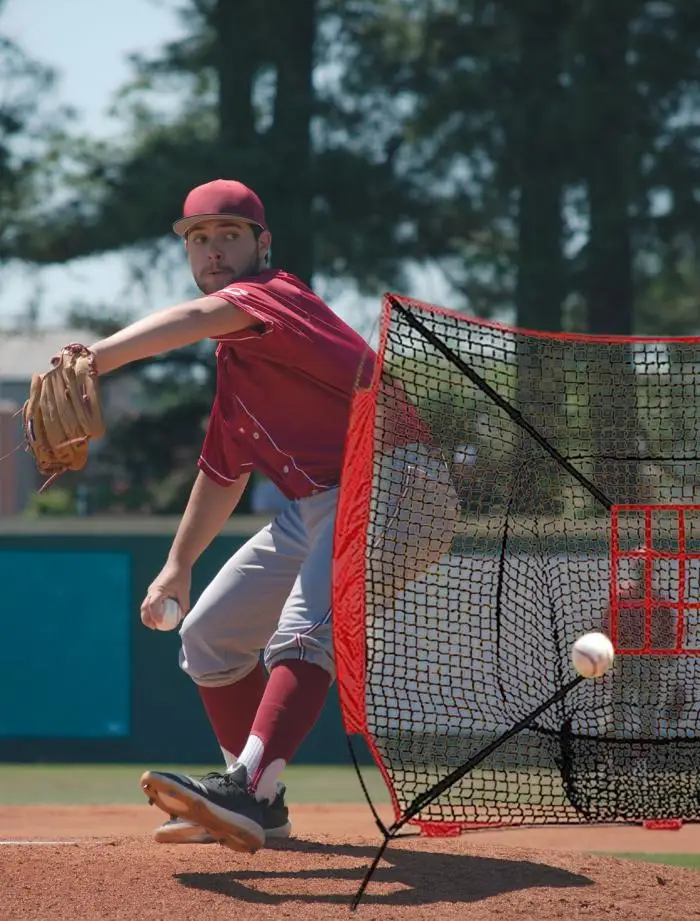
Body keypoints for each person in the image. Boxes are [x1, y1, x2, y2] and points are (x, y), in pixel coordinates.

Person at [78, 179, 458, 853]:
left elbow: (195, 319)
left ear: (263, 243)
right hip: (318, 505)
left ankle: (247, 788)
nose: (213, 249)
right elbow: (220, 472)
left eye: (229, 233)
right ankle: (259, 802)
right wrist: (175, 566)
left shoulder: (274, 296)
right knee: (210, 635)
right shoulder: (237, 367)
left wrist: (96, 358)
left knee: (301, 632)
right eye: (199, 237)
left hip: (396, 481)